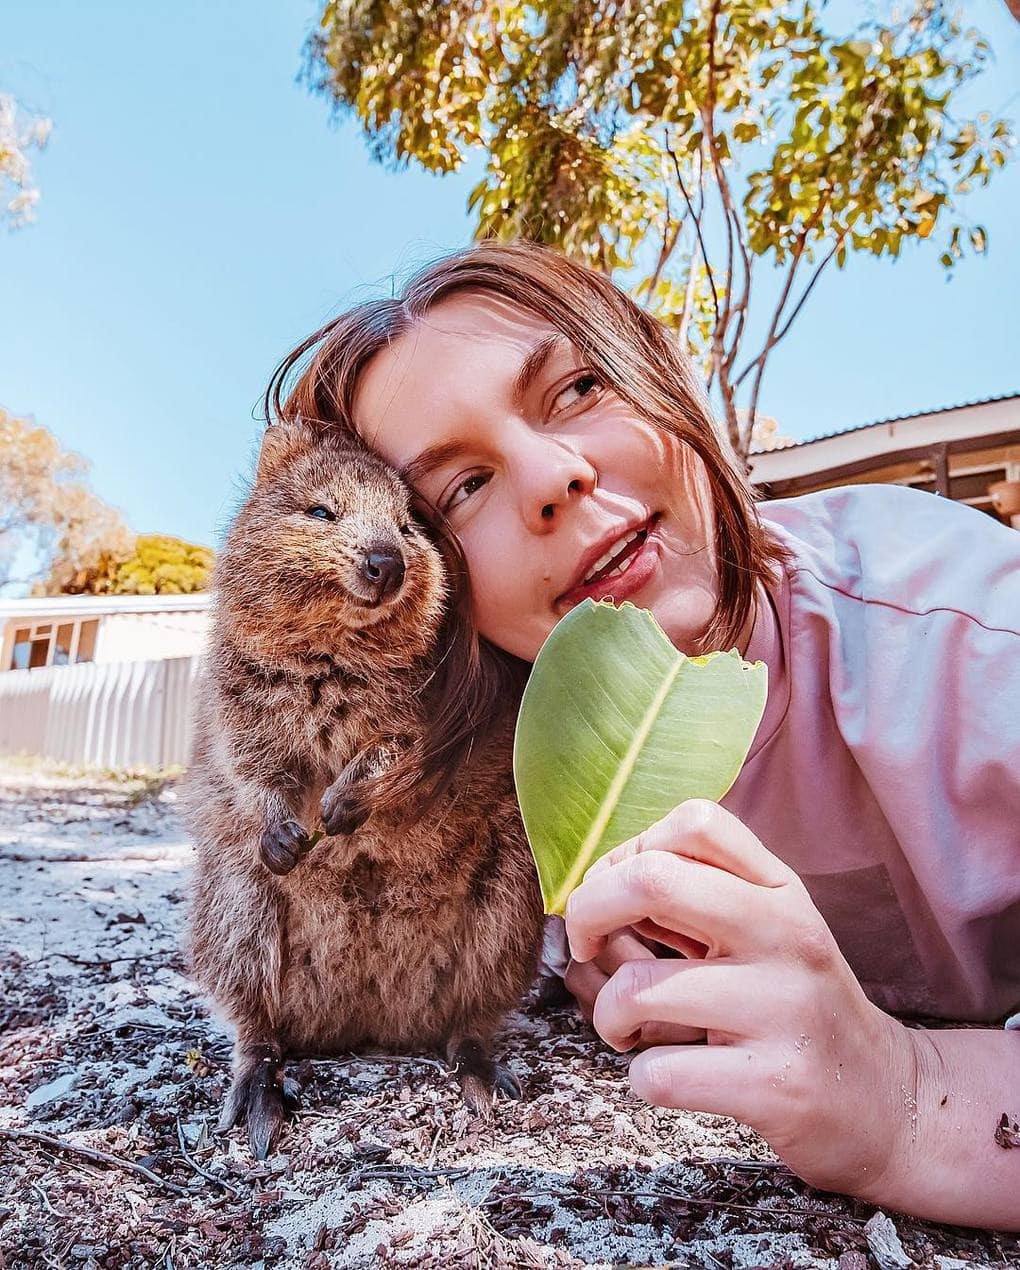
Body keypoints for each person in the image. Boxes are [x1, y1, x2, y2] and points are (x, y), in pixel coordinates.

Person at [264, 239, 1020, 1229]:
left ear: (664, 381)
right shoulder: (488, 781)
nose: (552, 476)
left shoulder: (965, 636)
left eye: (577, 387)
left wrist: (906, 1098)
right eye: (459, 490)